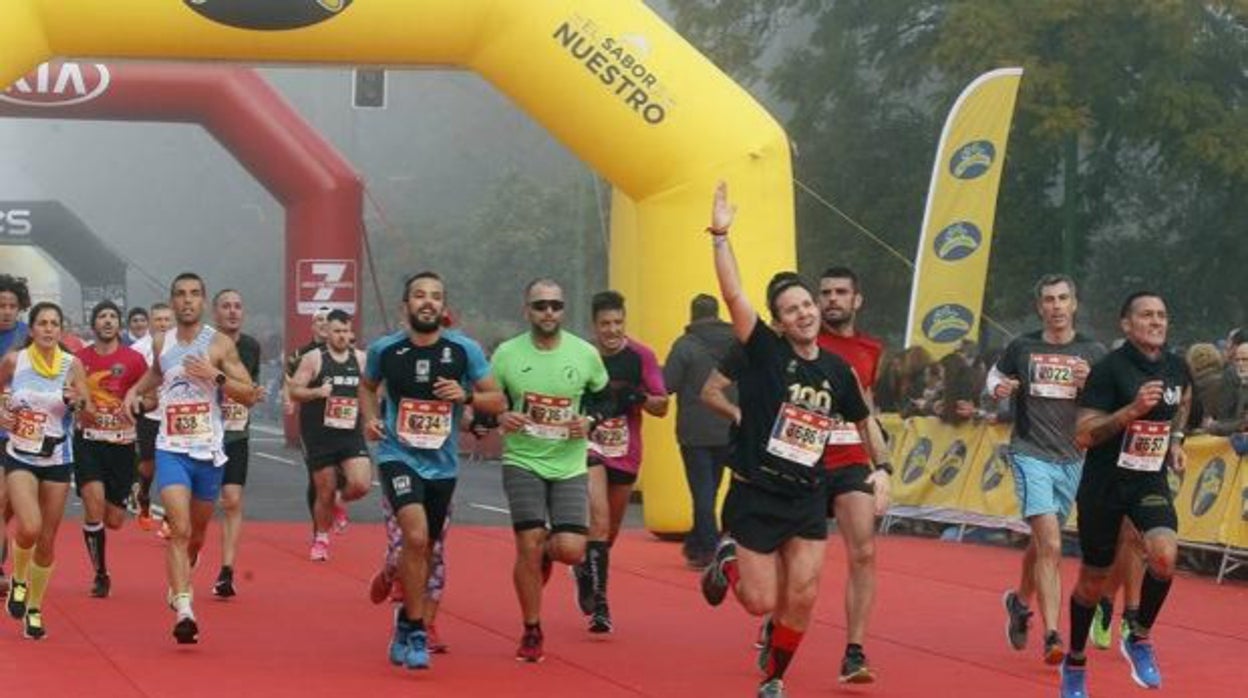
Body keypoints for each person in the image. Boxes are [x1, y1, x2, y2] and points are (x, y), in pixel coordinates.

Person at [697, 183, 891, 698]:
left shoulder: (838, 370)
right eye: (791, 309)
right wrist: (720, 235)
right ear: (779, 322)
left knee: (803, 593)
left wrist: (883, 471)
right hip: (757, 492)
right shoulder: (761, 351)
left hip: (807, 493)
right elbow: (734, 294)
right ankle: (730, 561)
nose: (804, 312)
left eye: (807, 304)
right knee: (761, 602)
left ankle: (774, 677)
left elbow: (865, 420)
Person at [359, 271, 503, 670]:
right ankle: (420, 629)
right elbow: (367, 387)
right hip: (396, 455)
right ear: (405, 306)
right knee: (416, 535)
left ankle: (405, 622)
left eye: (436, 297)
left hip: (441, 466)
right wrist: (370, 419)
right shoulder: (385, 350)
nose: (428, 302)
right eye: (420, 296)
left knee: (428, 548)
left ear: (444, 307)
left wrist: (468, 395)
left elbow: (498, 399)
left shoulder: (464, 350)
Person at [1058, 291, 1191, 698]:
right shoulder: (1108, 371)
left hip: (1147, 481)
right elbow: (1083, 435)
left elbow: (1183, 400)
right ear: (1126, 324)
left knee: (1165, 555)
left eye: (1162, 315)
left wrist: (1176, 441)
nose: (1156, 322)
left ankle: (1139, 636)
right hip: (1104, 485)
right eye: (1146, 315)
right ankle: (1075, 661)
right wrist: (1130, 411)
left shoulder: (1175, 366)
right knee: (1093, 581)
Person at [122, 273, 261, 644]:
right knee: (179, 528)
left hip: (209, 452)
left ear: (203, 301)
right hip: (172, 449)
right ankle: (184, 607)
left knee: (197, 534)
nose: (187, 301)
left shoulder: (218, 344)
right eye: (180, 295)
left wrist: (216, 377)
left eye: (194, 295)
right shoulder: (160, 342)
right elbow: (154, 376)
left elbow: (249, 394)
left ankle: (185, 572)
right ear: (172, 300)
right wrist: (134, 395)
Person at [491, 278, 611, 663]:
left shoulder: (584, 353)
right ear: (527, 310)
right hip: (522, 459)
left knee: (572, 550)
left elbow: (606, 396)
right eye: (540, 305)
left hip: (568, 462)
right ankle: (531, 628)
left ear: (563, 310)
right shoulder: (507, 354)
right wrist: (499, 414)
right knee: (526, 542)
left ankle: (545, 554)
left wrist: (590, 419)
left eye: (555, 306)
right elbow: (489, 397)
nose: (548, 312)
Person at [987, 274, 1103, 664]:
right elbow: (994, 377)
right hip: (1029, 452)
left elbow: (1108, 402)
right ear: (1040, 307)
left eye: (1063, 298)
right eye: (1049, 300)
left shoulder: (1093, 350)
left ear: (1074, 304)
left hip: (1073, 458)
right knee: (1051, 544)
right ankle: (1054, 635)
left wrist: (1093, 385)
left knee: (1040, 544)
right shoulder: (1022, 345)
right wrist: (998, 390)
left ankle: (1019, 602)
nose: (1056, 306)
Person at [812, 264, 892, 682]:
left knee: (863, 553)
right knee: (797, 567)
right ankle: (777, 621)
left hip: (851, 462)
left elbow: (868, 408)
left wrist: (883, 466)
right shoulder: (802, 341)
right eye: (825, 293)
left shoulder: (870, 350)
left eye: (841, 292)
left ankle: (854, 652)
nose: (832, 300)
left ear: (856, 300)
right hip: (804, 461)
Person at [570, 290, 668, 634]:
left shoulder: (641, 356)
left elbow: (662, 405)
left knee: (608, 532)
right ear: (594, 326)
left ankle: (586, 567)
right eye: (605, 324)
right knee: (597, 522)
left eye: (617, 323)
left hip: (626, 450)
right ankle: (601, 604)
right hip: (589, 447)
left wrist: (637, 397)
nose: (612, 330)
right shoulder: (581, 356)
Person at [1, 301, 92, 639]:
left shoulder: (73, 365)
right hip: (20, 456)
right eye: (43, 323)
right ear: (32, 328)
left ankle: (34, 607)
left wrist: (76, 402)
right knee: (29, 526)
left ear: (61, 329)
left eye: (55, 323)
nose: (49, 329)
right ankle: (20, 579)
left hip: (57, 459)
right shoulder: (15, 361)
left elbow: (88, 412)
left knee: (47, 539)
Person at [73, 301, 148, 598]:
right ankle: (100, 573)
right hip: (89, 441)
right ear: (94, 324)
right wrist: (79, 405)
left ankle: (124, 496)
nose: (107, 321)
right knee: (93, 503)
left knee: (114, 520)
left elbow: (151, 396)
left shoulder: (134, 359)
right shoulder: (79, 359)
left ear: (119, 324)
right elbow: (69, 394)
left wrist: (139, 405)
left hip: (122, 444)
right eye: (102, 317)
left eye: (112, 317)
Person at [288, 309, 371, 561]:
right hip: (320, 433)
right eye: (337, 331)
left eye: (346, 331)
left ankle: (339, 500)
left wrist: (373, 417)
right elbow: (295, 391)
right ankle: (321, 539)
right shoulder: (314, 358)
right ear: (327, 333)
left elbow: (371, 392)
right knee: (323, 489)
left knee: (361, 483)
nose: (342, 336)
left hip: (350, 432)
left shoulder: (361, 359)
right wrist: (317, 393)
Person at [663, 293, 737, 568]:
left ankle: (707, 549)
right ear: (717, 313)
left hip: (694, 431)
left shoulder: (685, 346)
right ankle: (697, 543)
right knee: (716, 488)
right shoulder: (735, 342)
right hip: (730, 425)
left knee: (703, 493)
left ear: (692, 315)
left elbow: (667, 384)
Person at [211, 290, 264, 597]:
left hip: (236, 434)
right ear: (215, 313)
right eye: (226, 306)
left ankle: (227, 570)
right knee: (201, 507)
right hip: (203, 436)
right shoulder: (203, 344)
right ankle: (190, 553)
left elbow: (249, 387)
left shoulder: (251, 347)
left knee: (231, 500)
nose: (232, 311)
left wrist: (252, 395)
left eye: (237, 306)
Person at [0, 273, 32, 591]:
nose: (6, 311)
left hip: (26, 435)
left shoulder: (29, 337)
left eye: (12, 305)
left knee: (9, 508)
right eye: (1, 305)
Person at [131, 302, 174, 531]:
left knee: (170, 467)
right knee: (149, 465)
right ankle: (144, 494)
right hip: (150, 415)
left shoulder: (182, 346)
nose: (163, 324)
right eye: (159, 320)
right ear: (151, 321)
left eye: (167, 319)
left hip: (174, 417)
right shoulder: (139, 349)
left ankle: (169, 518)